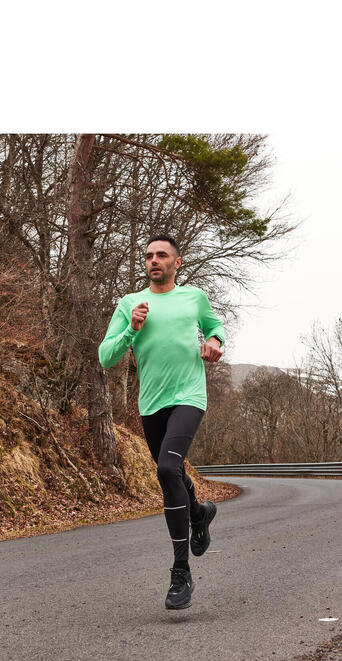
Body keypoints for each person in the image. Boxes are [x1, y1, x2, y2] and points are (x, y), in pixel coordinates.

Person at [99, 235, 225, 610]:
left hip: (189, 396)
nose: (154, 260)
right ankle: (199, 514)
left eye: (162, 255)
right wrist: (131, 329)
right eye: (149, 256)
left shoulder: (193, 298)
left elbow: (216, 327)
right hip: (151, 403)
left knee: (167, 468)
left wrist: (215, 341)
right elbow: (107, 357)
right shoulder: (129, 304)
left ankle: (181, 571)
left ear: (177, 262)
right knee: (171, 472)